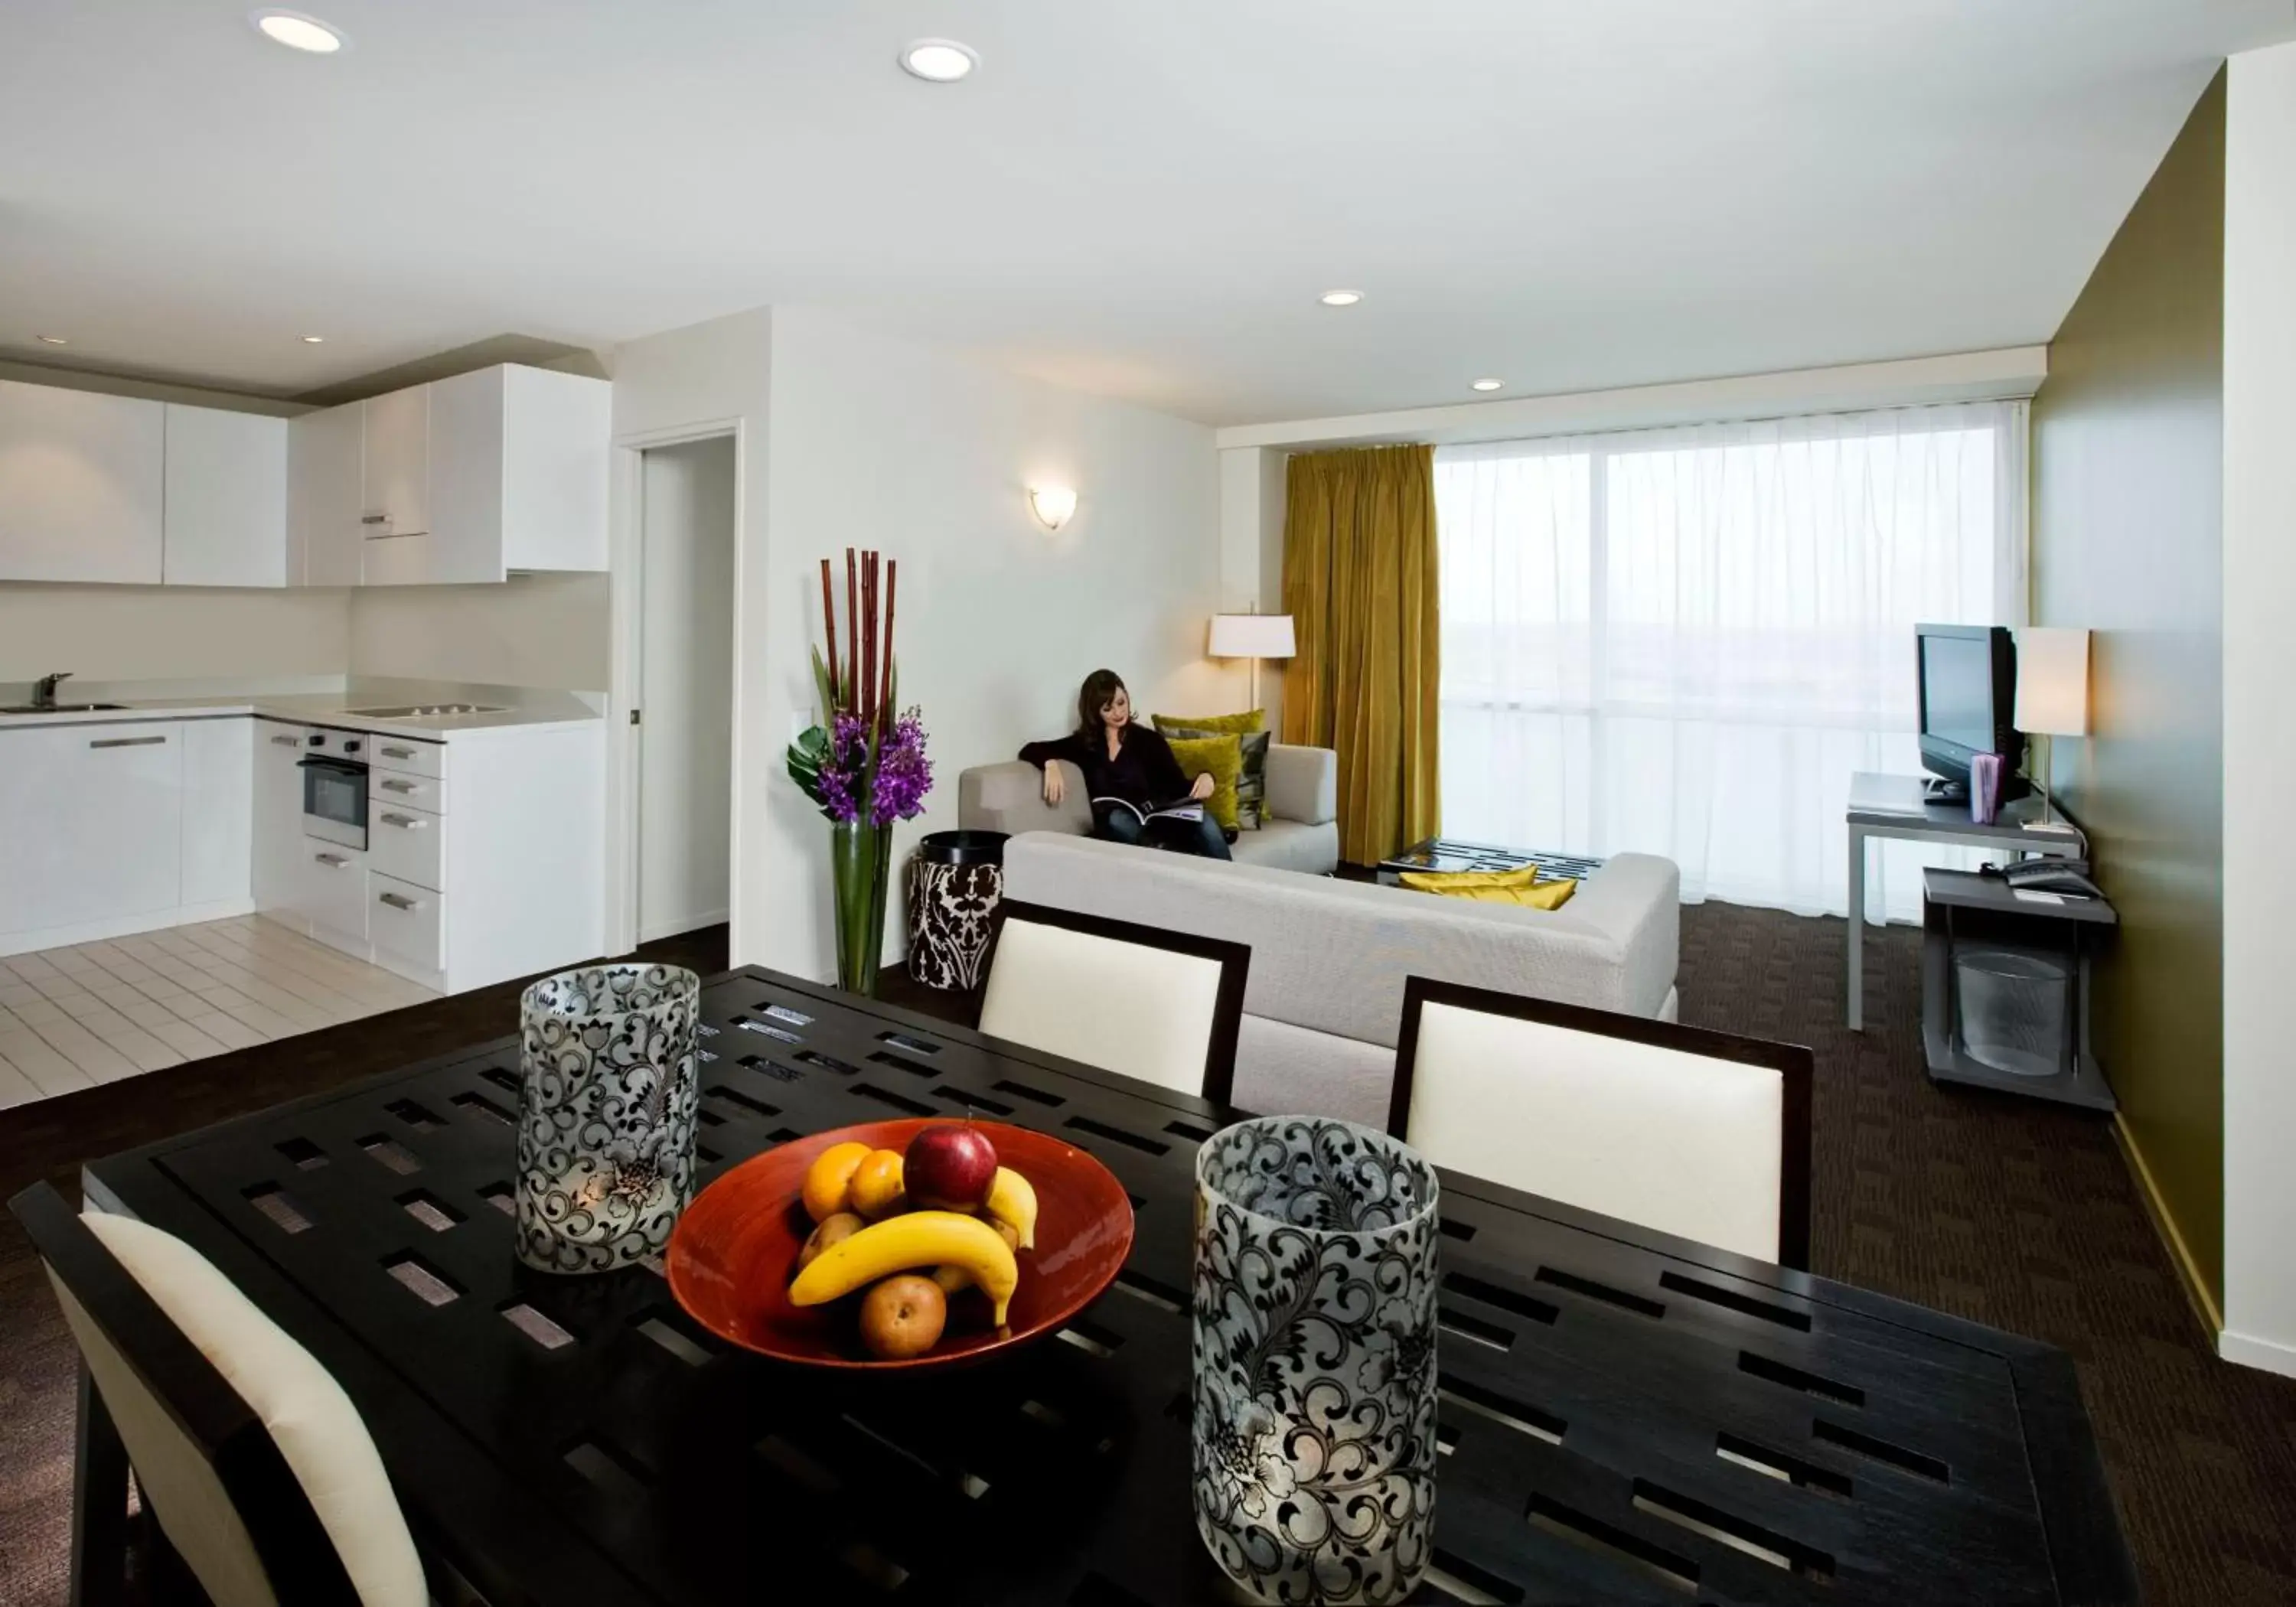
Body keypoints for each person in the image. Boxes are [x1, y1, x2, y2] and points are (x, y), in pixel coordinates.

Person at [1019, 669, 1232, 860]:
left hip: (1158, 822)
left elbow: (1177, 785)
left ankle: (1236, 886)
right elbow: (1030, 749)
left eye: (1121, 703)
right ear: (1095, 712)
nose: (1118, 713)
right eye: (1108, 708)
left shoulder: (1149, 740)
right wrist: (1051, 765)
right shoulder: (1085, 745)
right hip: (1117, 830)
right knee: (1117, 820)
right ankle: (1170, 859)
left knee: (1206, 822)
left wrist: (1207, 777)